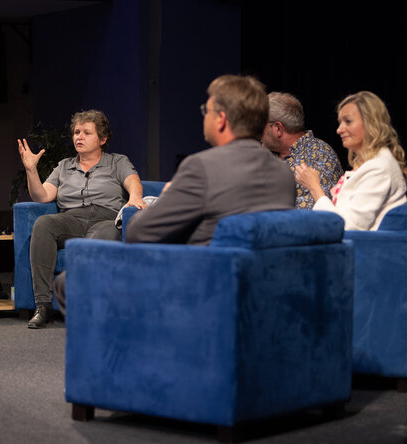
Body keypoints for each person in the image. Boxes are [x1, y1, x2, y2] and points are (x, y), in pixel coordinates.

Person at [52, 75, 296, 312]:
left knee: (69, 281)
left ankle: (122, 350)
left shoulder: (201, 167)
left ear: (221, 119)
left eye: (206, 111)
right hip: (257, 290)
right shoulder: (283, 174)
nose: (204, 117)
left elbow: (139, 231)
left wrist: (167, 198)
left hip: (195, 285)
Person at [17, 109, 145, 329]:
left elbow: (133, 181)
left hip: (106, 218)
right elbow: (42, 195)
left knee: (102, 236)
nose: (79, 137)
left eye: (86, 132)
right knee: (43, 224)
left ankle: (86, 307)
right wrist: (31, 170)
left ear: (102, 139)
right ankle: (43, 306)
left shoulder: (117, 162)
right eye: (77, 132)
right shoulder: (64, 166)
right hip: (72, 218)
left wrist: (134, 197)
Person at [295, 91, 407, 230]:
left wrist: (314, 187)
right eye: (340, 122)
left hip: (362, 248)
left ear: (370, 123)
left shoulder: (379, 167)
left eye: (348, 121)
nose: (339, 130)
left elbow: (348, 227)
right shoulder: (368, 164)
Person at [261, 92, 343, 208]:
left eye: (259, 125)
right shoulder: (263, 153)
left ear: (278, 128)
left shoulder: (320, 156)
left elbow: (317, 208)